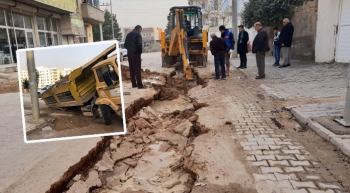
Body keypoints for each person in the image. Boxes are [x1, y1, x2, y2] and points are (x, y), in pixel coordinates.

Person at [124, 25, 146, 89]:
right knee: (137, 69)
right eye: (141, 30)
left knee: (132, 69)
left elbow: (125, 45)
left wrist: (130, 50)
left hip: (129, 54)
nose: (141, 32)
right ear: (139, 29)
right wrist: (139, 52)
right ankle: (140, 85)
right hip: (136, 54)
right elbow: (139, 44)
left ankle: (134, 84)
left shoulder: (128, 35)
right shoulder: (138, 35)